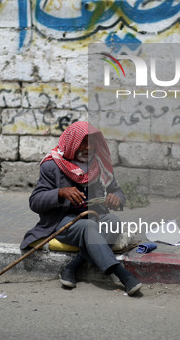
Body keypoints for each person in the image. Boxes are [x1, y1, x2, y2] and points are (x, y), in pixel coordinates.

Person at [20, 121, 142, 296]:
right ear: (72, 142)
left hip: (94, 216)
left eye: (91, 142)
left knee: (113, 222)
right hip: (62, 222)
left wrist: (117, 199)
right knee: (88, 227)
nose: (88, 147)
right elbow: (35, 201)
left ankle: (71, 267)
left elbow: (117, 191)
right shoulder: (52, 166)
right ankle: (122, 274)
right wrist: (60, 192)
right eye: (83, 142)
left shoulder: (99, 165)